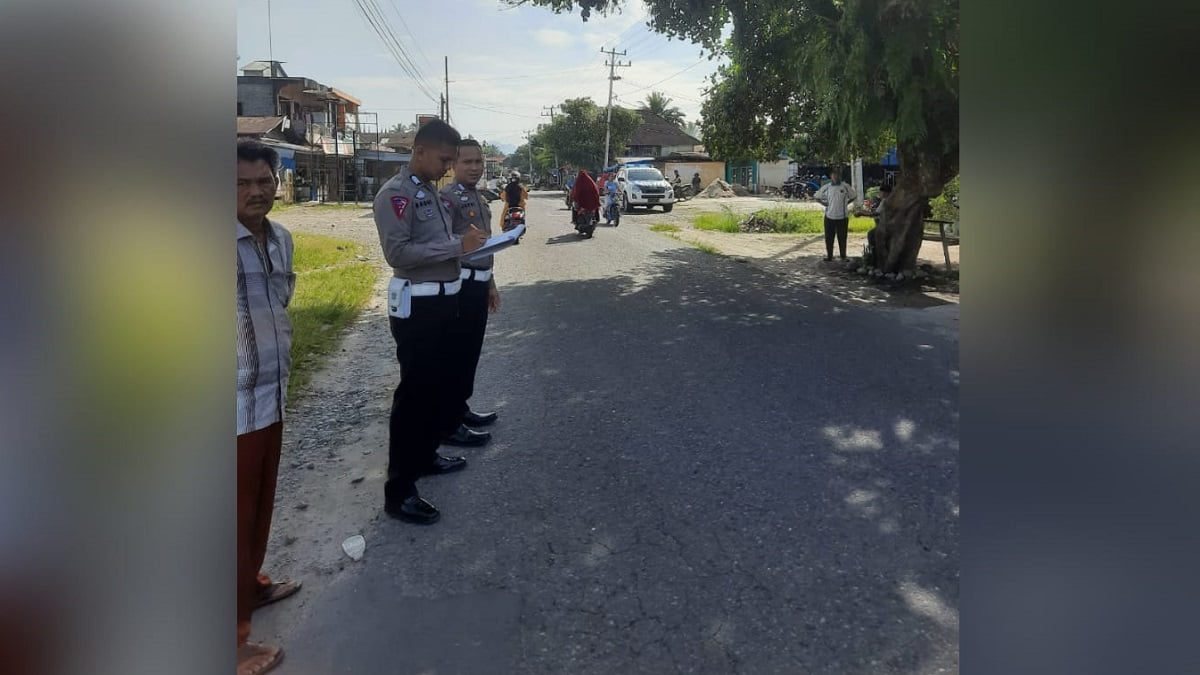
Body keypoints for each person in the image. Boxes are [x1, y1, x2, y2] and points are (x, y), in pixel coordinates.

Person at [373, 119, 488, 525]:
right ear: (420, 151)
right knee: (414, 400)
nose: (447, 166)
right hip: (417, 309)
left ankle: (425, 459)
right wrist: (459, 245)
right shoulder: (396, 194)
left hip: (442, 304)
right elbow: (399, 253)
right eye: (444, 159)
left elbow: (440, 247)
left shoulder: (431, 193)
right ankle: (399, 490)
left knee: (435, 391)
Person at [236, 140, 302, 675]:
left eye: (264, 182)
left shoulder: (280, 239)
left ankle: (249, 586)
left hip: (271, 395)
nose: (255, 192)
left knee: (258, 510)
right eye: (241, 183)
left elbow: (280, 302)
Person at [439, 139, 500, 448]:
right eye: (468, 162)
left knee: (471, 352)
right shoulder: (447, 198)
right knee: (458, 354)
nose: (475, 168)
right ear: (453, 165)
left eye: (479, 162)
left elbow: (484, 245)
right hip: (460, 284)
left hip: (479, 281)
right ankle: (448, 424)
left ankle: (460, 410)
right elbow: (443, 241)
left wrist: (490, 283)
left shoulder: (478, 196)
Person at [815, 167, 858, 261]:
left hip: (842, 217)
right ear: (831, 176)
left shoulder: (845, 186)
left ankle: (843, 256)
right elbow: (817, 197)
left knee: (842, 237)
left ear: (840, 175)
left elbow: (854, 196)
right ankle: (829, 256)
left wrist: (846, 203)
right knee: (829, 238)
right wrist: (824, 203)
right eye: (834, 174)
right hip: (829, 216)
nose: (836, 176)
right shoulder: (826, 187)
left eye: (838, 174)